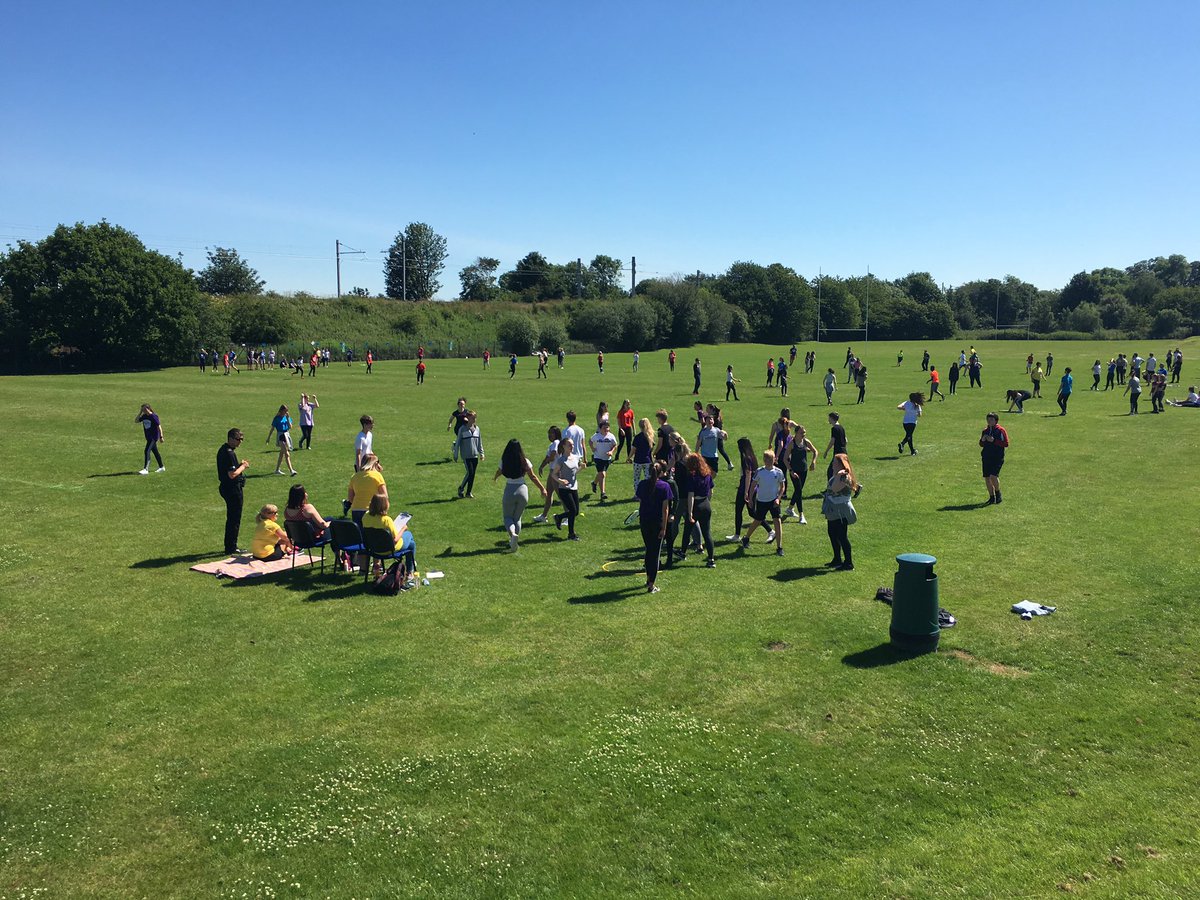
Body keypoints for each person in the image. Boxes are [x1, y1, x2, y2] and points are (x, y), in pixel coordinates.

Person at [493, 439, 548, 551]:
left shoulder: (504, 460)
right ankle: (514, 543)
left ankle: (513, 535)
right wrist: (542, 489)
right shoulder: (525, 461)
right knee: (517, 518)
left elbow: (499, 471)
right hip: (523, 491)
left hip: (510, 490)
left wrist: (495, 477)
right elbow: (533, 476)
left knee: (508, 517)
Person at [637, 461, 674, 593]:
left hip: (645, 522)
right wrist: (664, 528)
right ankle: (651, 584)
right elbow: (665, 509)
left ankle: (648, 579)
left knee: (649, 550)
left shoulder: (642, 484)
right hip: (657, 523)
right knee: (655, 554)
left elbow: (641, 502)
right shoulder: (665, 487)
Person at [741, 448, 785, 557]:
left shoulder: (778, 472)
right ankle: (746, 538)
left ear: (774, 459)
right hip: (761, 501)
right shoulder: (760, 472)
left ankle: (779, 547)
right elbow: (753, 485)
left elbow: (782, 487)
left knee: (777, 522)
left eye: (771, 459)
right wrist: (750, 499)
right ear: (764, 460)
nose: (769, 461)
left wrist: (778, 498)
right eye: (767, 459)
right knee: (757, 521)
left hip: (773, 501)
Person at [361, 494, 415, 577]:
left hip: (374, 548)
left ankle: (408, 570)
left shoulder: (365, 516)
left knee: (410, 543)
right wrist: (404, 528)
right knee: (410, 540)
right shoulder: (386, 520)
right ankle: (409, 572)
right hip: (389, 549)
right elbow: (395, 540)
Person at [217, 428, 249, 554]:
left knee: (232, 517)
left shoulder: (223, 450)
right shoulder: (229, 453)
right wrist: (243, 466)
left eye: (241, 439)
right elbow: (232, 474)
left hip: (225, 487)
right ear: (230, 438)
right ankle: (231, 547)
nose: (240, 442)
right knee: (234, 518)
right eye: (238, 439)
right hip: (232, 489)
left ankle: (230, 545)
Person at [823, 454, 857, 570]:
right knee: (832, 533)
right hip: (833, 510)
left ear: (841, 464)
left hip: (841, 511)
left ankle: (848, 563)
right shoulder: (837, 475)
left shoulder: (844, 477)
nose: (832, 465)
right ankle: (837, 559)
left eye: (835, 463)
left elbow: (835, 489)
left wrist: (837, 475)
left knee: (842, 536)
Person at [685, 453, 717, 568]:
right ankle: (711, 559)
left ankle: (683, 552)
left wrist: (690, 512)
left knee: (687, 528)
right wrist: (707, 502)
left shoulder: (692, 477)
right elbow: (711, 491)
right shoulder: (707, 475)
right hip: (706, 504)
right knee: (707, 533)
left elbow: (691, 496)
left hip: (697, 505)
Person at [782, 422, 817, 523]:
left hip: (804, 470)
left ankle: (789, 509)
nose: (803, 434)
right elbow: (785, 459)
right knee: (799, 491)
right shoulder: (792, 444)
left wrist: (813, 462)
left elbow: (815, 451)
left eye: (804, 433)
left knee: (798, 490)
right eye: (802, 433)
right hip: (794, 471)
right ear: (796, 433)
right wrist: (791, 471)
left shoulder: (806, 442)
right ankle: (801, 515)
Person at [551, 437, 585, 540]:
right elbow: (553, 474)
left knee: (576, 512)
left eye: (572, 444)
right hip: (564, 489)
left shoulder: (575, 457)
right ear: (564, 446)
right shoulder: (561, 460)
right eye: (569, 445)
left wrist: (581, 468)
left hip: (574, 488)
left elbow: (573, 473)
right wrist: (560, 481)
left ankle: (559, 517)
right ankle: (571, 534)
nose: (572, 446)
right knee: (573, 510)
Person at [727, 437, 758, 543]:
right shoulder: (752, 457)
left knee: (751, 512)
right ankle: (736, 534)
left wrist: (746, 492)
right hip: (751, 488)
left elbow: (748, 475)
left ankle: (770, 530)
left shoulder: (745, 458)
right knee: (742, 511)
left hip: (745, 488)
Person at [532, 425, 562, 524]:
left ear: (556, 434)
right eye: (548, 433)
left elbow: (552, 456)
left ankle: (567, 516)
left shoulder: (556, 443)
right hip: (552, 472)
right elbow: (548, 457)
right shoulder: (553, 444)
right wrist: (542, 466)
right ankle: (544, 516)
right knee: (549, 493)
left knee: (561, 495)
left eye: (551, 433)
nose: (549, 435)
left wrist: (547, 462)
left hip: (556, 472)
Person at [346, 454, 387, 525]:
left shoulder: (355, 476)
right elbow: (384, 496)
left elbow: (350, 498)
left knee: (360, 534)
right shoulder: (377, 476)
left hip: (356, 509)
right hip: (372, 509)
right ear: (375, 463)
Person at [979, 413, 1009, 504]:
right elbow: (981, 444)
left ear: (996, 420)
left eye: (991, 419)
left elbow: (1006, 443)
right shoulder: (985, 431)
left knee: (993, 476)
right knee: (987, 478)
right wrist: (983, 440)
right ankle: (991, 497)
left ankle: (998, 493)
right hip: (986, 457)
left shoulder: (1000, 430)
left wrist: (994, 441)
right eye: (988, 419)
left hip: (997, 457)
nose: (989, 421)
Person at [455, 410, 484, 498]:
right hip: (466, 455)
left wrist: (482, 453)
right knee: (470, 472)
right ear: (468, 418)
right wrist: (456, 454)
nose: (474, 420)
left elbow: (479, 442)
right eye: (472, 418)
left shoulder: (477, 429)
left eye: (475, 418)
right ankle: (461, 488)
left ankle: (468, 492)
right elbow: (458, 442)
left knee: (472, 474)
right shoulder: (462, 429)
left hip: (474, 455)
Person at [589, 420, 617, 500]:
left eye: (607, 427)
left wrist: (611, 451)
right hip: (598, 457)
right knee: (602, 474)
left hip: (607, 459)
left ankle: (594, 483)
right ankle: (603, 493)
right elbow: (590, 441)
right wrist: (592, 448)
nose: (606, 429)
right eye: (604, 428)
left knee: (601, 474)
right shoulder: (596, 436)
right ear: (600, 429)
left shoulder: (611, 436)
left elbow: (615, 445)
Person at [266, 405, 297, 476]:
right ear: (281, 410)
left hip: (286, 435)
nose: (286, 412)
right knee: (286, 453)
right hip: (280, 436)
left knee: (281, 453)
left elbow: (290, 427)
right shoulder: (276, 418)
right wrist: (268, 438)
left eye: (287, 411)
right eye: (285, 411)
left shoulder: (287, 417)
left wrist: (288, 418)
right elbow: (272, 428)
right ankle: (291, 470)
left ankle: (277, 470)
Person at [135, 404, 165, 475]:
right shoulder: (144, 416)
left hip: (153, 438)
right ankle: (161, 467)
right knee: (155, 452)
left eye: (145, 409)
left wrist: (161, 436)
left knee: (147, 451)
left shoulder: (153, 416)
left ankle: (146, 469)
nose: (144, 411)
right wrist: (140, 413)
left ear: (149, 409)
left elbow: (159, 426)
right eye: (143, 410)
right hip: (148, 438)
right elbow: (136, 421)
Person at [631, 417, 655, 496]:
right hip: (647, 460)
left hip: (638, 460)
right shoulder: (650, 437)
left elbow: (633, 449)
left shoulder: (638, 437)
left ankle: (637, 494)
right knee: (648, 478)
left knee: (636, 479)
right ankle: (648, 493)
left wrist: (629, 457)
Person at [823, 411, 847, 480]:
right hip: (844, 451)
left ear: (831, 418)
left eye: (829, 418)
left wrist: (826, 451)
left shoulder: (834, 428)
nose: (828, 419)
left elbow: (832, 441)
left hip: (838, 452)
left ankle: (831, 488)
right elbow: (846, 440)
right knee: (843, 469)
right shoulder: (841, 428)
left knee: (830, 471)